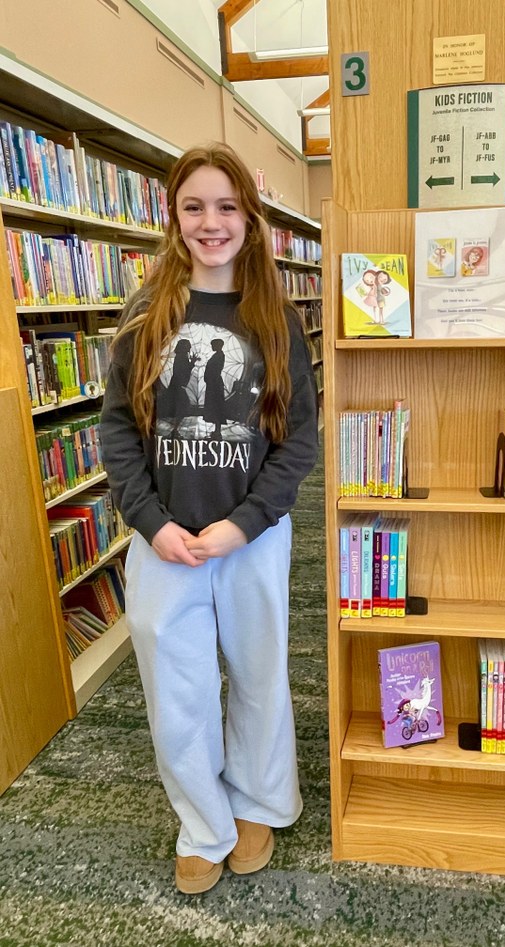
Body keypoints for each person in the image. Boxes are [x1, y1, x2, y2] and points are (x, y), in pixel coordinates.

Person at [100, 142, 319, 895]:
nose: (211, 222)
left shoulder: (276, 318)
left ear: (251, 219)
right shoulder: (143, 314)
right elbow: (118, 430)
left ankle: (259, 799)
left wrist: (247, 522)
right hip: (164, 541)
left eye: (227, 206)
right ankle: (203, 821)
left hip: (251, 538)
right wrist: (152, 521)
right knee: (178, 688)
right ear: (173, 215)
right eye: (194, 206)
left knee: (259, 673)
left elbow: (298, 446)